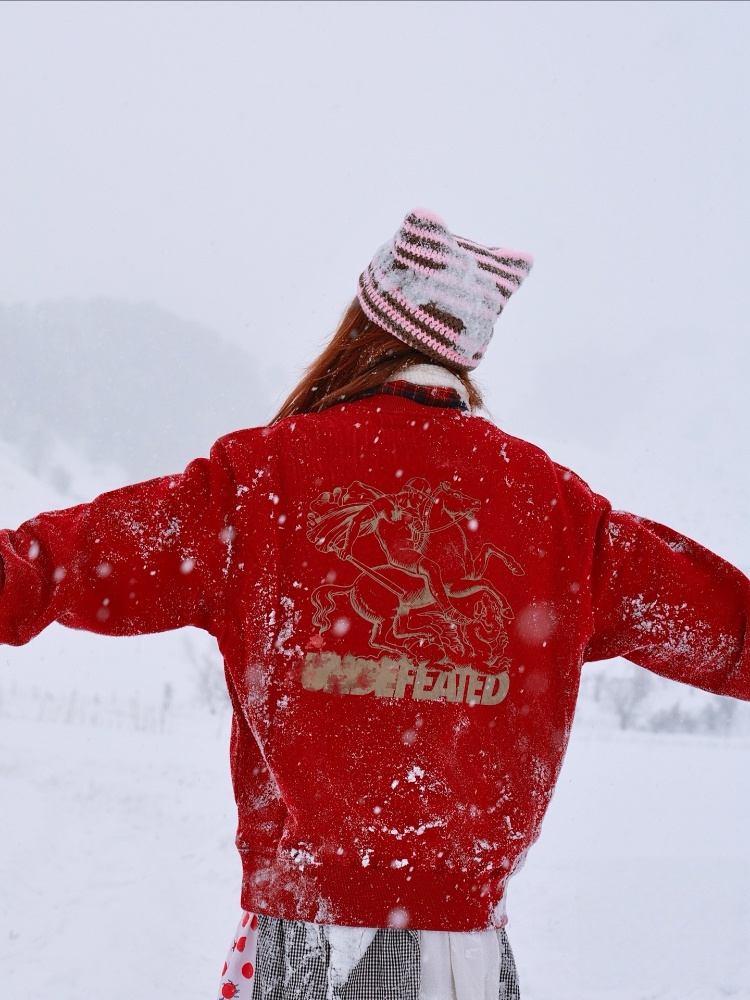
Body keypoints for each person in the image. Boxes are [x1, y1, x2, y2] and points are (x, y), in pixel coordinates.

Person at [2, 209, 749, 1000]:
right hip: (471, 960)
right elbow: (724, 630)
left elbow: (54, 566)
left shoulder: (259, 484)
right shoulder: (556, 512)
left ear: (362, 328)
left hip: (313, 949)